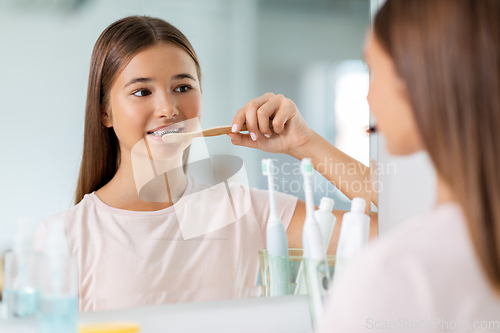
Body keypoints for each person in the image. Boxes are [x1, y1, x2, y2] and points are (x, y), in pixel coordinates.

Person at [229, 0, 500, 331]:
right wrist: (305, 145)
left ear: (420, 83)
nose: (369, 99)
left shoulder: (392, 278)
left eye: (375, 70)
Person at [32, 15, 333, 312]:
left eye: (182, 87)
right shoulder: (63, 235)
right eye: (141, 92)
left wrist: (307, 145)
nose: (167, 109)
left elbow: (379, 230)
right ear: (104, 113)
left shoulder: (248, 210)